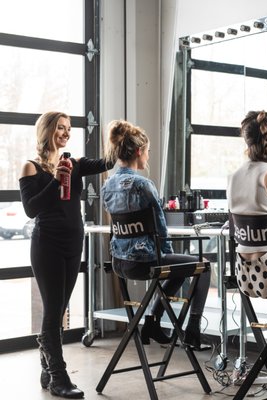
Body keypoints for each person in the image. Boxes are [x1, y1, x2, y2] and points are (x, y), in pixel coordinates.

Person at [19, 111, 115, 399]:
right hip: (47, 245)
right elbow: (30, 209)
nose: (66, 132)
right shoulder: (30, 167)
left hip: (74, 244)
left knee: (59, 310)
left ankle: (47, 367)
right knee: (52, 310)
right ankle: (59, 377)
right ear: (47, 130)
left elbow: (107, 162)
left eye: (68, 128)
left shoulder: (75, 163)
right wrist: (55, 179)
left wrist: (117, 135)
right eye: (60, 127)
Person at [101, 120, 211, 349]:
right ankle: (193, 330)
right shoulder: (143, 185)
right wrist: (166, 256)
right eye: (148, 151)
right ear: (139, 151)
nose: (148, 156)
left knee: (178, 270)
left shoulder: (107, 185)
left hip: (120, 264)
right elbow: (160, 230)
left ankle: (152, 320)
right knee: (204, 266)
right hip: (145, 262)